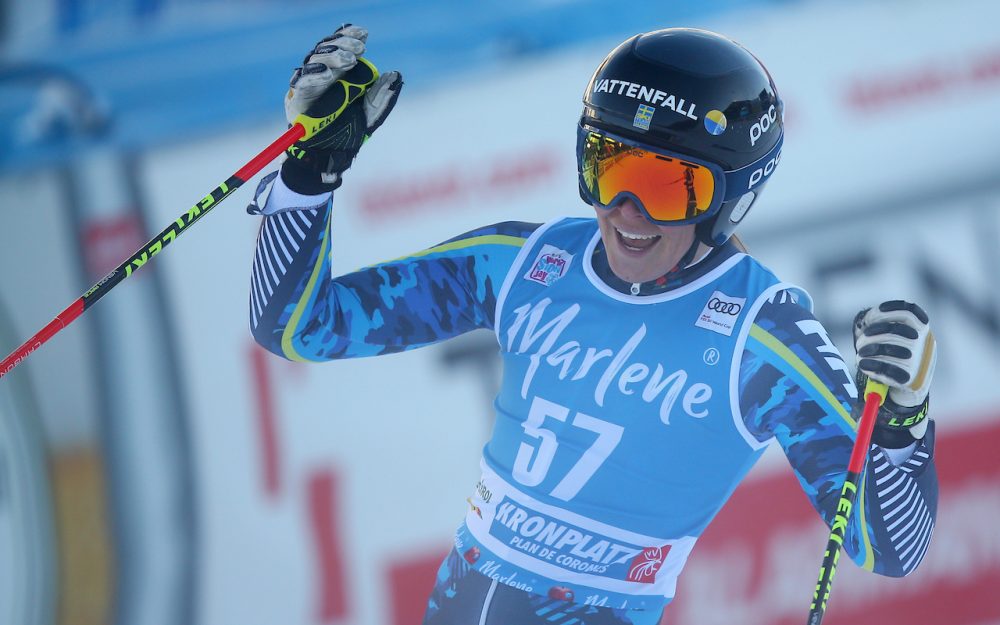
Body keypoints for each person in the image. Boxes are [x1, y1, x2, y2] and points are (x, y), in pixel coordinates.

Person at [247, 25, 939, 625]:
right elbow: (300, 326)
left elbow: (888, 547)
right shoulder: (525, 263)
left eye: (670, 187)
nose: (628, 213)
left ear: (731, 198)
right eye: (609, 168)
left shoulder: (760, 335)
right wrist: (311, 171)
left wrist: (904, 419)